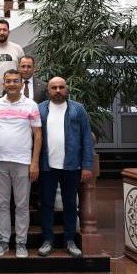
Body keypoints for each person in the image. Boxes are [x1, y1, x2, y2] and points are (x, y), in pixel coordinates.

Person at [37, 77, 94, 258]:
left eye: (61, 87)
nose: (58, 90)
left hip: (72, 165)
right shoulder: (40, 109)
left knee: (70, 204)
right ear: (48, 90)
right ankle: (47, 240)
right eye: (54, 87)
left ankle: (70, 240)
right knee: (46, 204)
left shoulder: (78, 109)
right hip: (46, 166)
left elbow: (86, 137)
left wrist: (87, 165)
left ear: (66, 89)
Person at [0, 69, 42, 258]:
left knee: (22, 205)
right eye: (8, 81)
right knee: (2, 204)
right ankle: (3, 241)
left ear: (21, 84)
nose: (12, 84)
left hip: (23, 162)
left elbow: (38, 135)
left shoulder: (31, 105)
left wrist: (34, 162)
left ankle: (21, 242)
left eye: (15, 81)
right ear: (3, 84)